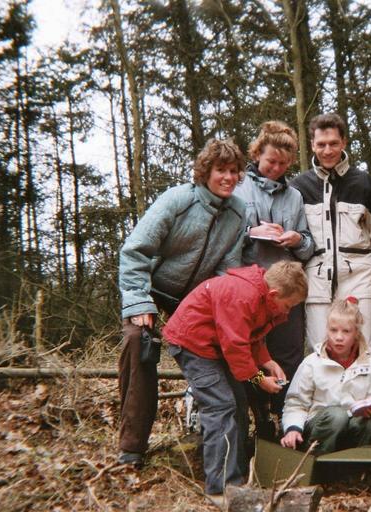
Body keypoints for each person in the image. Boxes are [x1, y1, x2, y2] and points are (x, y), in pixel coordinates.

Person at [117, 138, 247, 468]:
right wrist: (138, 302)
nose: (228, 178)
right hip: (152, 289)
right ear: (205, 171)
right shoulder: (178, 199)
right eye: (221, 170)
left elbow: (227, 269)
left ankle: (223, 439)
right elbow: (135, 250)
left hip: (196, 299)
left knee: (220, 348)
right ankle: (132, 446)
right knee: (138, 342)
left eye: (234, 171)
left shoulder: (237, 212)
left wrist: (220, 316)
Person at [162, 261, 308, 506]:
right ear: (274, 294)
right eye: (288, 305)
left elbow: (251, 336)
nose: (288, 312)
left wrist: (267, 362)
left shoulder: (261, 297)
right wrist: (260, 380)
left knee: (239, 403)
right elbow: (236, 347)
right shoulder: (241, 296)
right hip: (193, 345)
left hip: (216, 347)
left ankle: (236, 475)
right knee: (221, 406)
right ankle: (220, 488)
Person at [234, 120, 315, 437]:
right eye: (271, 161)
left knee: (289, 354)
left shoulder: (294, 196)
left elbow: (308, 246)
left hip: (287, 288)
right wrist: (251, 232)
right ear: (257, 154)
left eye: (283, 164)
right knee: (252, 353)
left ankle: (287, 419)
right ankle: (259, 419)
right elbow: (224, 238)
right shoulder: (239, 187)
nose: (276, 168)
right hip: (250, 286)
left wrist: (297, 239)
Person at [289, 113, 371, 360]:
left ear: (344, 142)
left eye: (333, 143)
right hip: (317, 277)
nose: (327, 150)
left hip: (359, 274)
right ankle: (326, 387)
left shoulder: (364, 183)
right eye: (321, 144)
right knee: (320, 346)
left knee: (368, 343)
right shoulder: (299, 186)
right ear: (312, 145)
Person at [280, 297, 371, 455]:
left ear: (356, 333)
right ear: (327, 330)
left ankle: (358, 462)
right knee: (337, 416)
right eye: (333, 330)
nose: (339, 337)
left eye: (346, 331)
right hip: (320, 429)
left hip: (353, 427)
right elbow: (295, 403)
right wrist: (293, 428)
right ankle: (317, 461)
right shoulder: (312, 363)